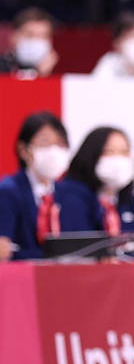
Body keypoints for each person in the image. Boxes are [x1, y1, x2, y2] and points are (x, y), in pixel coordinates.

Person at [0, 112, 70, 261]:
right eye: (45, 142)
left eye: (59, 143)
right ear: (24, 150)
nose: (54, 150)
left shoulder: (70, 193)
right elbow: (4, 252)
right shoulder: (8, 192)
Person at [57, 127, 134, 237]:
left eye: (124, 152)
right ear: (91, 155)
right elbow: (80, 246)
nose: (118, 159)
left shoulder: (126, 199)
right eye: (109, 152)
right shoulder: (72, 195)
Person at [0, 7, 58, 77]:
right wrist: (38, 75)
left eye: (43, 36)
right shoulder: (3, 66)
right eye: (29, 35)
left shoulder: (60, 73)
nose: (36, 41)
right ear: (14, 36)